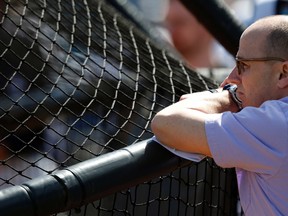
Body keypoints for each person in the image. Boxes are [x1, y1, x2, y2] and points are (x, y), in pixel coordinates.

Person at [151, 15, 288, 216]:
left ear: (283, 73)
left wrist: (231, 96)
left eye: (243, 66)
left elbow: (166, 122)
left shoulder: (275, 124)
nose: (231, 78)